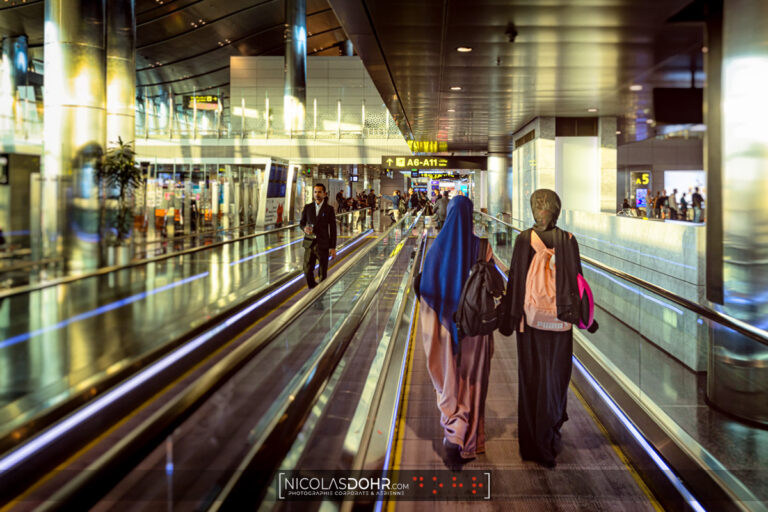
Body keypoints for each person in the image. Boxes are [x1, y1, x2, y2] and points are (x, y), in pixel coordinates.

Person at [499, 189, 585, 468]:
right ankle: (550, 432)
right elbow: (578, 283)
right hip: (560, 323)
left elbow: (516, 282)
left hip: (530, 322)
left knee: (531, 377)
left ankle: (532, 442)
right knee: (555, 377)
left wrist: (510, 319)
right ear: (557, 209)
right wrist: (583, 317)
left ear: (535, 209)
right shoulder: (569, 240)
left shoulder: (525, 239)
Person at [418, 195, 501, 461]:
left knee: (449, 379)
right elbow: (496, 285)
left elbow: (427, 291)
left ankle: (453, 427)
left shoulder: (436, 250)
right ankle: (469, 439)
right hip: (475, 329)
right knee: (473, 382)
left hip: (444, 327)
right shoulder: (482, 247)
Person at [299, 183, 337, 289]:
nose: (317, 194)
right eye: (315, 192)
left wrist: (333, 247)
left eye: (319, 192)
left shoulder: (329, 209)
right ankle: (313, 287)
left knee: (322, 271)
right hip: (309, 243)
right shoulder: (308, 207)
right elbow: (301, 223)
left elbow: (333, 229)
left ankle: (320, 292)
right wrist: (304, 228)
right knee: (307, 269)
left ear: (324, 194)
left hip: (323, 244)